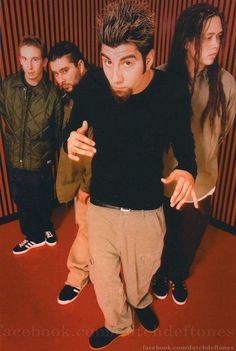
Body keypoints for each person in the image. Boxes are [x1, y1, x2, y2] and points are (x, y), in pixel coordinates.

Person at [65, 1, 198, 349]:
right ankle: (118, 322)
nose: (115, 75)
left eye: (127, 62)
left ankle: (140, 303)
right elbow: (73, 125)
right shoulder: (94, 84)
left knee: (141, 278)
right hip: (103, 205)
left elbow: (186, 146)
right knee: (105, 279)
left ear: (149, 59)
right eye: (107, 61)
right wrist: (69, 139)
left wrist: (187, 169)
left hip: (147, 208)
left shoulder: (170, 91)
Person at [153, 3, 236, 305]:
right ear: (188, 41)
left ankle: (178, 275)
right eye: (208, 37)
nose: (216, 45)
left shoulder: (226, 83)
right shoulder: (160, 78)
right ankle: (161, 274)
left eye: (220, 36)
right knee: (160, 238)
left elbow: (223, 131)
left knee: (188, 242)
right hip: (163, 182)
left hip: (202, 185)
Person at [0, 36, 62, 254]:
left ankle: (46, 228)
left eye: (35, 59)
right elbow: (6, 116)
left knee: (42, 196)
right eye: (25, 59)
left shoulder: (52, 94)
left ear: (44, 62)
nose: (29, 66)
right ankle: (33, 236)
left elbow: (58, 130)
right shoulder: (8, 86)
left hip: (41, 159)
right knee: (22, 200)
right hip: (15, 158)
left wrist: (46, 154)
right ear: (19, 60)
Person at [48, 41, 91, 304]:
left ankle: (76, 277)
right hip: (77, 179)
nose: (59, 79)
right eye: (55, 73)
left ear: (81, 66)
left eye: (65, 71)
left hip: (92, 183)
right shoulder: (71, 94)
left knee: (87, 228)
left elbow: (94, 148)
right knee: (86, 226)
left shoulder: (92, 96)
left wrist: (86, 187)